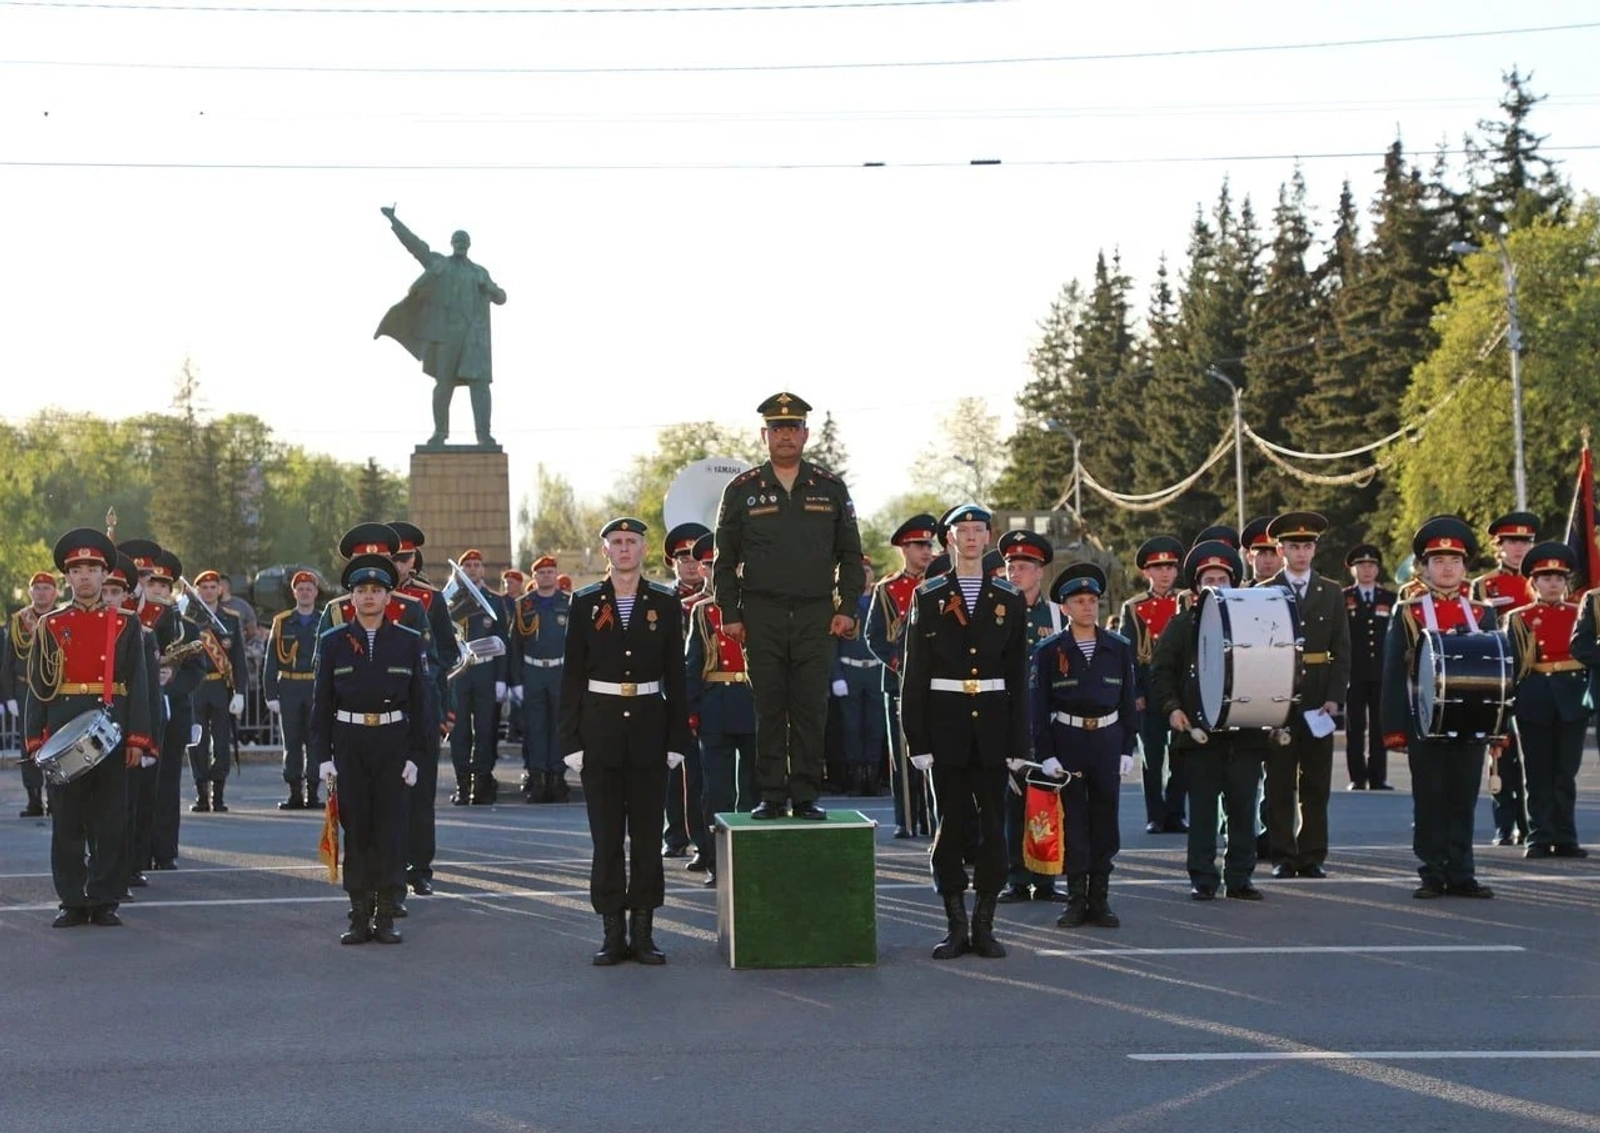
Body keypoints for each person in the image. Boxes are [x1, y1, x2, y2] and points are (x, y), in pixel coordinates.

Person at [713, 392, 864, 820]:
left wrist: (847, 606)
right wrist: (731, 613)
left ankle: (805, 795)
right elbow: (724, 560)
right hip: (762, 613)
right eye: (776, 429)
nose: (785, 436)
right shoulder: (742, 490)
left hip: (817, 612)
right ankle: (772, 795)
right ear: (765, 435)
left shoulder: (830, 487)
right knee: (769, 705)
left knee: (810, 706)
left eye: (792, 428)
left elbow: (850, 555)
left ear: (805, 434)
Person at [559, 518, 692, 965]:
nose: (624, 549)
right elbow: (572, 676)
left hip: (650, 732)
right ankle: (612, 932)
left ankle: (644, 931)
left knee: (648, 835)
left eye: (631, 542)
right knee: (608, 839)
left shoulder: (665, 602)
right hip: (600, 731)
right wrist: (571, 741)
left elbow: (676, 673)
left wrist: (677, 739)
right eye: (616, 542)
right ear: (605, 552)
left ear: (644, 549)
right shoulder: (584, 603)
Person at [902, 503, 1028, 960]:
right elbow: (914, 672)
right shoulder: (929, 595)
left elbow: (1018, 676)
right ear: (949, 539)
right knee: (951, 826)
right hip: (947, 723)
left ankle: (985, 924)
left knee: (995, 827)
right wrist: (916, 738)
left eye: (979, 530)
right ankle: (955, 924)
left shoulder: (1009, 598)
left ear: (990, 536)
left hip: (993, 724)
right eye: (963, 530)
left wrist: (1019, 743)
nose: (971, 537)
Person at [23, 529, 154, 927]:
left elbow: (139, 684)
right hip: (63, 726)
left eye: (91, 570)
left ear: (104, 575)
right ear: (67, 577)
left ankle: (104, 897)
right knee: (67, 820)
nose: (84, 577)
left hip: (110, 725)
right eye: (76, 570)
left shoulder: (126, 623)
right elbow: (39, 686)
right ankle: (72, 900)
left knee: (111, 819)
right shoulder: (50, 623)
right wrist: (34, 737)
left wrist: (138, 738)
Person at [310, 553, 435, 944]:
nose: (368, 597)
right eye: (361, 591)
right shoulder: (333, 643)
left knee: (390, 831)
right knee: (357, 830)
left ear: (387, 597)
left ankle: (385, 914)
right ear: (351, 598)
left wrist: (417, 756)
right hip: (349, 744)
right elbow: (322, 704)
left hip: (393, 744)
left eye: (376, 590)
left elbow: (421, 704)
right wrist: (323, 758)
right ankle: (358, 912)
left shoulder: (408, 642)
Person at [1381, 515, 1499, 899]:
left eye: (1454, 561)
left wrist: (1500, 727)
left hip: (1473, 719)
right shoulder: (1409, 611)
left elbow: (1500, 671)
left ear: (1465, 567)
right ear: (1425, 567)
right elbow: (1393, 673)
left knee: (1464, 798)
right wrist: (1394, 727)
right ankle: (1432, 872)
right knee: (1430, 798)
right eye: (1438, 561)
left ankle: (1462, 872)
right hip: (1425, 719)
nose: (1447, 568)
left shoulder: (1482, 613)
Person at [1152, 540, 1268, 901]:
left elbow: (1272, 667)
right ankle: (1203, 878)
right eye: (1209, 580)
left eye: (1222, 579)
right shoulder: (1183, 623)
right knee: (1202, 811)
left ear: (1234, 583)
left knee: (1243, 810)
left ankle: (1240, 877)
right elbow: (1161, 671)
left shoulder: (1254, 623)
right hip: (1200, 734)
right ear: (1197, 587)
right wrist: (1172, 708)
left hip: (1245, 733)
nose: (1216, 586)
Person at [1032, 563, 1138, 927]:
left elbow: (1128, 702)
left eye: (1093, 600)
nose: (1088, 607)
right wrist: (1045, 754)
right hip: (1069, 739)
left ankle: (1100, 899)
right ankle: (1076, 899)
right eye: (1079, 601)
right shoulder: (1049, 650)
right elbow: (1038, 706)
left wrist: (1128, 748)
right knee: (1074, 822)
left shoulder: (1118, 647)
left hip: (1107, 740)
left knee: (1105, 820)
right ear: (1065, 608)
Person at [1262, 511, 1350, 880]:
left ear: (1315, 549)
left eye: (1308, 546)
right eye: (1294, 546)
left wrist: (1334, 697)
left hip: (1317, 691)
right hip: (1279, 691)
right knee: (1279, 780)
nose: (1301, 552)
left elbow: (1342, 649)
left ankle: (1312, 854)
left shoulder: (1330, 592)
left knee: (1316, 781)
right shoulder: (1265, 590)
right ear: (1280, 549)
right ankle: (1283, 853)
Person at [376, 206, 507, 447]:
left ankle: (484, 435)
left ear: (469, 244)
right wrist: (394, 221)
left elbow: (501, 297)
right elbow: (416, 247)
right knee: (443, 385)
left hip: (473, 340)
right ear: (451, 243)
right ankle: (440, 433)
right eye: (456, 239)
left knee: (480, 387)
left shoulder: (479, 272)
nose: (460, 243)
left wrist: (489, 288)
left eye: (463, 240)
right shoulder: (440, 264)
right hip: (447, 336)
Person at [387, 521, 459, 897]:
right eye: (394, 557)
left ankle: (420, 867)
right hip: (381, 709)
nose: (401, 565)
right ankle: (390, 867)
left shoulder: (430, 599)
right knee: (384, 793)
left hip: (421, 707)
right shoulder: (366, 594)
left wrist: (443, 707)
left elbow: (448, 652)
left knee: (421, 793)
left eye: (406, 557)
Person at [684, 533, 756, 888]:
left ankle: (753, 857)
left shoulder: (758, 604)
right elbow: (691, 665)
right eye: (710, 566)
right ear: (703, 569)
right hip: (716, 704)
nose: (716, 571)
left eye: (723, 564)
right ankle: (717, 861)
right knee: (717, 791)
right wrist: (691, 712)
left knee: (755, 787)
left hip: (754, 701)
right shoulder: (702, 611)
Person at [995, 527, 1063, 903]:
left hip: (1046, 720)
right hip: (1006, 716)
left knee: (1046, 800)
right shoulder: (996, 611)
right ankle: (1017, 878)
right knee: (1012, 801)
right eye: (1011, 566)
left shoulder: (1055, 614)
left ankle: (1047, 877)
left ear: (1040, 572)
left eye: (1025, 566)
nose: (1016, 573)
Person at [1509, 543, 1590, 859]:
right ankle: (1539, 836)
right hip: (1534, 697)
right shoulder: (1520, 618)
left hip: (1571, 696)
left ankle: (1566, 836)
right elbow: (1515, 666)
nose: (1553, 583)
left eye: (1559, 577)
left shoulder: (1581, 615)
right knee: (1537, 772)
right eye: (1546, 577)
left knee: (1565, 772)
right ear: (1534, 582)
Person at [865, 514, 937, 839]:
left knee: (936, 751)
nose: (926, 550)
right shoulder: (887, 589)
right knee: (902, 755)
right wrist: (899, 663)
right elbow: (874, 635)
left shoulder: (939, 584)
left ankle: (937, 821)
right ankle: (906, 820)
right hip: (899, 681)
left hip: (937, 681)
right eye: (919, 545)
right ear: (903, 549)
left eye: (928, 544)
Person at [1473, 511, 1539, 846]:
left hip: (1535, 679)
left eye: (1525, 541)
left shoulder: (1543, 581)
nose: (1519, 548)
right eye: (1512, 542)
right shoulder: (1485, 585)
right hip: (1499, 677)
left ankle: (1531, 825)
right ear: (1498, 547)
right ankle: (1504, 823)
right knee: (1500, 755)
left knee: (1535, 756)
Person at [1117, 535, 1189, 835]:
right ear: (1146, 572)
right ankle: (1155, 814)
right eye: (1157, 568)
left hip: (1181, 691)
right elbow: (1128, 655)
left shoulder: (1186, 601)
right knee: (1152, 757)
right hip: (1148, 691)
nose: (1165, 574)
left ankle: (1176, 812)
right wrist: (1134, 693)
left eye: (1170, 567)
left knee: (1181, 755)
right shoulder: (1133, 608)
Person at [143, 549, 204, 872]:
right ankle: (138, 853)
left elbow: (198, 671)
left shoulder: (188, 629)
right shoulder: (135, 622)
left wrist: (173, 678)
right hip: (140, 716)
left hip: (174, 714)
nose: (158, 590)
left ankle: (165, 851)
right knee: (140, 787)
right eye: (152, 583)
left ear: (171, 591)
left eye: (164, 586)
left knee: (168, 786)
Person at [661, 522, 710, 861]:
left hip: (710, 688)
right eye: (683, 557)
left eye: (696, 557)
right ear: (673, 562)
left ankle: (704, 838)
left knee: (707, 773)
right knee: (673, 767)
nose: (690, 564)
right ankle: (675, 833)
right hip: (671, 690)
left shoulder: (717, 599)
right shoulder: (663, 600)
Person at [509, 554, 571, 803]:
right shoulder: (523, 604)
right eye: (541, 573)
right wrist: (514, 682)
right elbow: (515, 646)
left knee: (560, 727)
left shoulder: (569, 603)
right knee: (534, 728)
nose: (546, 576)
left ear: (556, 575)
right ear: (533, 577)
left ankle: (557, 777)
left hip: (560, 671)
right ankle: (538, 778)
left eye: (550, 572)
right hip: (532, 671)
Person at [449, 548, 508, 805]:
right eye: (468, 565)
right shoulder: (450, 601)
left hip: (485, 670)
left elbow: (504, 643)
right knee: (459, 730)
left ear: (483, 569)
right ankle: (462, 784)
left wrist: (501, 679)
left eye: (476, 565)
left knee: (485, 729)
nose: (472, 569)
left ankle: (482, 784)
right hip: (459, 673)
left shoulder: (495, 601)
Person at [187, 569, 247, 814]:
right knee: (196, 742)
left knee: (222, 742)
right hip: (196, 687)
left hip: (221, 687)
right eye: (204, 587)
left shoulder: (230, 619)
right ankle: (201, 794)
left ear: (220, 590)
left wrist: (240, 692)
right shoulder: (188, 618)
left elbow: (239, 659)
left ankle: (218, 794)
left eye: (213, 587)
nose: (209, 591)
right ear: (197, 590)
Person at [264, 571, 324, 810]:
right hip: (289, 686)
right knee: (291, 742)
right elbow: (271, 661)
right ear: (294, 592)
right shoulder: (282, 621)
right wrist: (270, 694)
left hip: (315, 686)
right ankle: (294, 793)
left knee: (315, 742)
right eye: (301, 589)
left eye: (309, 588)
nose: (305, 592)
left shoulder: (325, 620)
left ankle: (313, 792)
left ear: (316, 592)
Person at [5, 570, 60, 818]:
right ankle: (34, 798)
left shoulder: (63, 615)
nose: (41, 592)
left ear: (55, 592)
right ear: (30, 592)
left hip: (55, 687)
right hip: (25, 687)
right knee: (29, 745)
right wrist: (7, 696)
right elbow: (8, 660)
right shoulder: (18, 620)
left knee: (55, 742)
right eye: (36, 588)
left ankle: (56, 796)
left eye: (46, 588)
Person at [1343, 544, 1397, 790]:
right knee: (1355, 728)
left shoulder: (1389, 598)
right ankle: (1357, 776)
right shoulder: (1344, 598)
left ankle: (1378, 776)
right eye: (1362, 565)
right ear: (1353, 570)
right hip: (1353, 673)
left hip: (1381, 673)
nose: (1367, 570)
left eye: (1372, 565)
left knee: (1379, 727)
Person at [832, 555, 886, 798]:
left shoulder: (881, 599)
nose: (864, 575)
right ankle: (853, 778)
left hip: (875, 669)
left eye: (867, 570)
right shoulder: (840, 603)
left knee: (875, 726)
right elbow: (830, 643)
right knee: (851, 728)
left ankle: (872, 778)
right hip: (850, 669)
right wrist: (836, 676)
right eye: (858, 570)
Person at [1241, 516, 1282, 585]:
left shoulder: (1291, 593)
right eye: (1262, 554)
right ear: (1250, 557)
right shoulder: (1240, 593)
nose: (1268, 560)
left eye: (1274, 554)